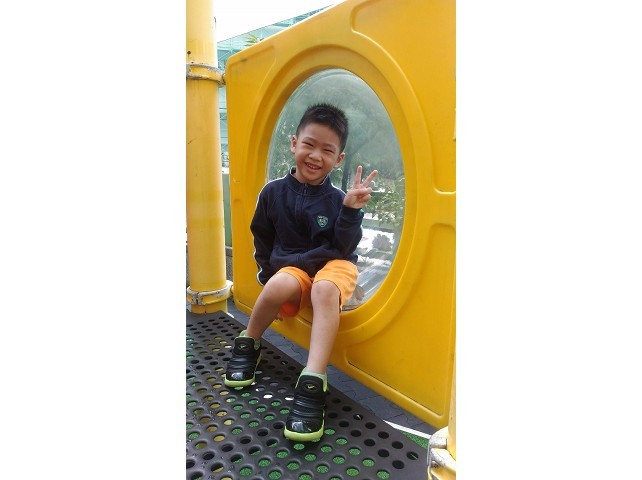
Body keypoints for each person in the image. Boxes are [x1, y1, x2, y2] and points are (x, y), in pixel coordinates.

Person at [224, 103, 378, 441]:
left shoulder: (337, 199)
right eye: (309, 144)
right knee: (277, 283)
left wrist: (350, 211)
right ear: (294, 143)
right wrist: (268, 277)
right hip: (296, 270)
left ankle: (313, 379)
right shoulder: (273, 193)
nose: (315, 156)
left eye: (327, 150)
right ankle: (249, 343)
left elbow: (343, 247)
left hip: (335, 266)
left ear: (338, 159)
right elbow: (263, 240)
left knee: (324, 288)